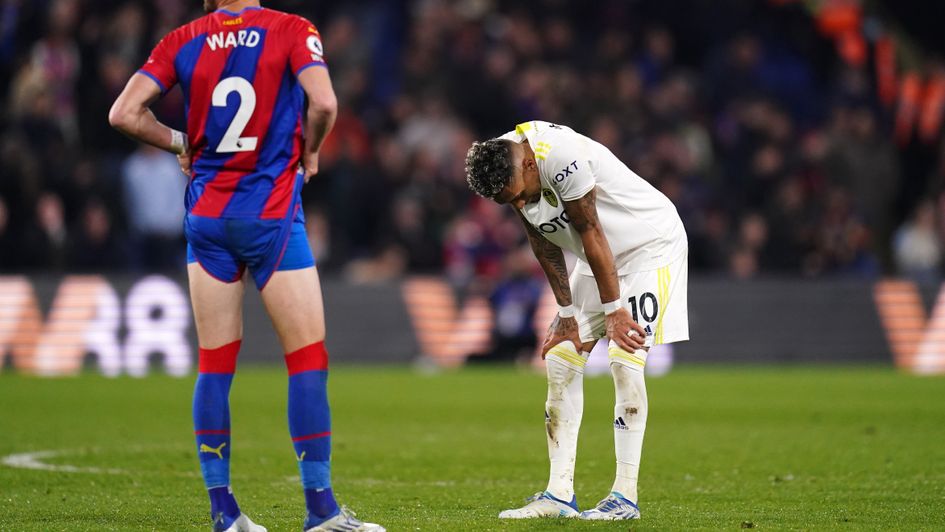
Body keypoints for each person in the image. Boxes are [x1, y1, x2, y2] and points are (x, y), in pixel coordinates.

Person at [108, 1, 384, 531]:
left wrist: (179, 142)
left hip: (208, 217)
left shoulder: (182, 39)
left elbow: (122, 113)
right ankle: (321, 510)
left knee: (214, 365)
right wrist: (311, 151)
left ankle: (224, 513)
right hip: (270, 214)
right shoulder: (290, 29)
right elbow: (324, 103)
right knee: (306, 359)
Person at [464, 120, 689, 520]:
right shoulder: (504, 162)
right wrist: (566, 314)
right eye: (506, 202)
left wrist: (615, 310)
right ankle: (558, 495)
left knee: (625, 355)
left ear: (529, 167)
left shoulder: (561, 155)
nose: (516, 204)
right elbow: (541, 239)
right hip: (598, 255)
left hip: (647, 246)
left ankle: (625, 498)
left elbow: (588, 228)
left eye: (516, 195)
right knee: (560, 357)